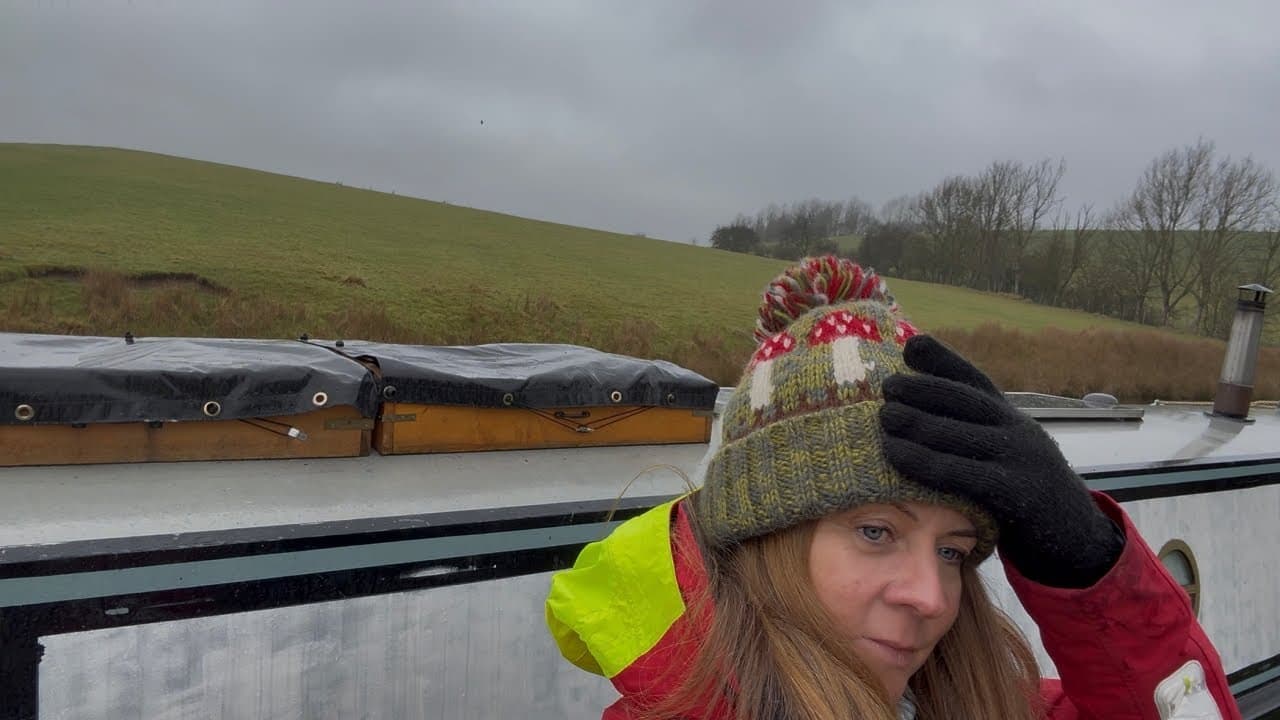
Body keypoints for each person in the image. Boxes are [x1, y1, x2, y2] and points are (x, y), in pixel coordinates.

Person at [544, 255, 1239, 720]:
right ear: (763, 539)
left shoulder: (980, 700)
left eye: (953, 553)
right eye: (876, 532)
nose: (933, 599)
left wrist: (1085, 562)